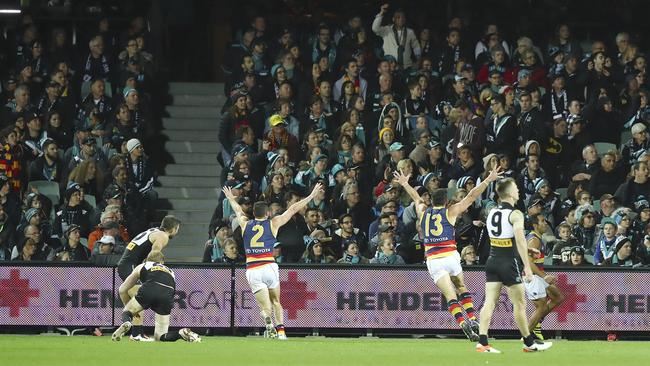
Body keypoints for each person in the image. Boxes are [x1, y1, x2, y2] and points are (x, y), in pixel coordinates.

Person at [393, 166, 501, 341]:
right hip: (450, 256)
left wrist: (405, 183)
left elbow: (416, 197)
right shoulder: (450, 212)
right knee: (461, 287)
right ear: (445, 201)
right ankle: (473, 319)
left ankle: (462, 323)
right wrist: (488, 180)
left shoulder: (423, 212)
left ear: (432, 200)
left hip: (434, 259)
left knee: (450, 296)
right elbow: (471, 196)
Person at [222, 182, 324, 340]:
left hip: (253, 268)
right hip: (269, 265)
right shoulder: (273, 223)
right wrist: (311, 196)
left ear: (253, 213)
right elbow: (292, 209)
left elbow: (238, 210)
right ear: (267, 213)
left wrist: (230, 198)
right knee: (276, 301)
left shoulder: (245, 223)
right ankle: (281, 332)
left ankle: (267, 321)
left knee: (264, 306)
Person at [477, 178, 552, 353]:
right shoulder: (516, 214)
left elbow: (502, 238)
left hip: (493, 260)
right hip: (508, 263)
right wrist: (526, 264)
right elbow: (518, 238)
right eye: (516, 188)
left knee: (489, 302)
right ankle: (528, 343)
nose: (518, 191)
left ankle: (482, 342)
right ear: (510, 193)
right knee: (520, 304)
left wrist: (526, 250)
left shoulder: (492, 212)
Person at [115, 215, 181, 341]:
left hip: (127, 264)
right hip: (131, 265)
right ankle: (136, 334)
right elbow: (154, 253)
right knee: (139, 297)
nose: (176, 232)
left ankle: (131, 325)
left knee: (134, 298)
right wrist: (158, 269)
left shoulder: (154, 231)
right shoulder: (163, 236)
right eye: (177, 229)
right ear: (173, 228)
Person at [112, 251, 200, 342]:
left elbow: (122, 289)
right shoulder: (170, 272)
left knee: (127, 312)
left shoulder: (144, 265)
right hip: (167, 295)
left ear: (147, 259)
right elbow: (172, 290)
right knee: (161, 337)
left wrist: (129, 311)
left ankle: (127, 322)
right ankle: (180, 333)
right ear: (162, 261)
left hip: (150, 288)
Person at [525, 214, 565, 341]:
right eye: (542, 221)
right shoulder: (534, 240)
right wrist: (545, 276)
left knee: (558, 297)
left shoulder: (537, 238)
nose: (546, 223)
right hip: (532, 277)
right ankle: (526, 335)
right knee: (541, 307)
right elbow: (529, 263)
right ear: (535, 225)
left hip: (538, 275)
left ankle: (535, 324)